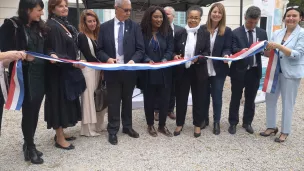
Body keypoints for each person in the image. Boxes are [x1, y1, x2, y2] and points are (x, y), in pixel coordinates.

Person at [0, 0, 46, 164]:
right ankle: (30, 146)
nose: (41, 13)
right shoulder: (11, 25)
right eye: (39, 10)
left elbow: (44, 49)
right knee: (28, 112)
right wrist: (22, 55)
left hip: (40, 76)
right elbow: (4, 52)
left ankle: (29, 143)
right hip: (23, 77)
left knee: (34, 113)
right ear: (28, 10)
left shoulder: (39, 27)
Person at [96, 0, 145, 145]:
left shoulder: (135, 27)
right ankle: (113, 130)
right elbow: (99, 50)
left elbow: (140, 49)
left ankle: (127, 127)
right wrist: (107, 59)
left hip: (129, 70)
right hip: (113, 71)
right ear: (116, 8)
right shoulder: (105, 27)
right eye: (126, 10)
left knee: (127, 100)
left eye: (130, 10)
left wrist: (133, 61)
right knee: (113, 102)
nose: (129, 13)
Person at [45, 0, 86, 150]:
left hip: (66, 72)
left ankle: (62, 132)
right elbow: (55, 52)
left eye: (66, 6)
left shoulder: (62, 24)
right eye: (61, 6)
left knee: (67, 103)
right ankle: (59, 138)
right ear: (52, 8)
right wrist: (73, 63)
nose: (65, 8)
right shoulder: (52, 25)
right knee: (58, 104)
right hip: (57, 74)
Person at [260, 7, 304, 143]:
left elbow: (297, 54)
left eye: (294, 16)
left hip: (290, 73)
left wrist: (279, 47)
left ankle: (285, 131)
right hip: (274, 71)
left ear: (300, 18)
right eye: (288, 16)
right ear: (284, 18)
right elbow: (270, 52)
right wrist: (265, 49)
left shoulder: (302, 33)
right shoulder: (277, 33)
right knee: (270, 100)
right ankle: (271, 126)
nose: (291, 18)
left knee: (287, 103)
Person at [228, 6, 268, 135]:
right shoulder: (235, 32)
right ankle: (233, 123)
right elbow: (232, 48)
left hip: (254, 71)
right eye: (250, 22)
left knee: (250, 99)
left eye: (255, 22)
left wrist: (266, 51)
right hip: (239, 70)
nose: (252, 25)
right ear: (245, 18)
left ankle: (247, 122)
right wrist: (241, 51)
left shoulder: (262, 33)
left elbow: (265, 50)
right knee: (235, 97)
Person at [173, 5, 210, 138]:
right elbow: (173, 50)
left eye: (196, 18)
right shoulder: (179, 33)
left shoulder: (205, 33)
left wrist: (198, 59)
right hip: (182, 71)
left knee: (198, 98)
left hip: (199, 70)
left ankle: (197, 124)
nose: (193, 20)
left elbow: (207, 53)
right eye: (190, 17)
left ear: (200, 19)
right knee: (181, 98)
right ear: (187, 17)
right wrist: (175, 55)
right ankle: (179, 123)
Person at [140, 6, 174, 137]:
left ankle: (162, 125)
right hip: (148, 72)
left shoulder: (167, 31)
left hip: (164, 72)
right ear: (149, 18)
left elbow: (170, 49)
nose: (159, 19)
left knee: (165, 99)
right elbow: (140, 49)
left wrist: (165, 59)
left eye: (161, 17)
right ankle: (150, 125)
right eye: (156, 17)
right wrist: (147, 59)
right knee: (149, 99)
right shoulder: (142, 32)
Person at [201, 3, 232, 135]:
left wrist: (226, 54)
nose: (216, 14)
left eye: (219, 12)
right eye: (214, 12)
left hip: (218, 69)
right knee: (204, 96)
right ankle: (204, 119)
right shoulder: (202, 29)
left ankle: (216, 121)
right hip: (203, 68)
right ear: (210, 13)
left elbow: (227, 47)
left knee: (217, 97)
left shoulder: (227, 30)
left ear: (222, 15)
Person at [78, 9, 107, 137]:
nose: (93, 23)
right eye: (89, 21)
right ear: (84, 23)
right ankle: (87, 129)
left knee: (100, 96)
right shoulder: (82, 36)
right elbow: (89, 56)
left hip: (98, 69)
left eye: (94, 20)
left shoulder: (98, 35)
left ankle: (99, 125)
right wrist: (105, 64)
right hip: (88, 71)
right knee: (88, 98)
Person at [153, 6, 183, 121]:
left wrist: (176, 55)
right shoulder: (157, 29)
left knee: (172, 89)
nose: (165, 16)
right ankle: (157, 110)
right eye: (163, 14)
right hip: (159, 63)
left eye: (168, 14)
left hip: (174, 65)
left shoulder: (180, 30)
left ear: (173, 16)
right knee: (157, 88)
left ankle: (170, 109)